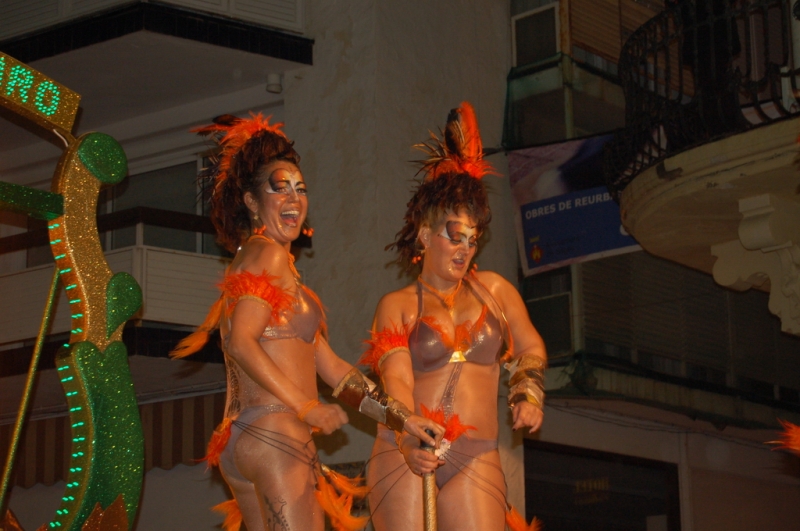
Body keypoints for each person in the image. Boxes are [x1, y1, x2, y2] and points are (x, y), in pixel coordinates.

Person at [170, 113, 443, 531]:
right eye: (280, 188)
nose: (294, 199)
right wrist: (305, 406)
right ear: (251, 201)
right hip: (277, 431)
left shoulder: (259, 263)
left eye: (301, 189)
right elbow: (240, 342)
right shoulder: (268, 254)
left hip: (244, 440)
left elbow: (335, 372)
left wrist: (402, 418)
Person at [362, 102, 547, 531]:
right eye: (455, 236)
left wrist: (528, 392)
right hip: (405, 449)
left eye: (473, 239)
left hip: (476, 454)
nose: (465, 248)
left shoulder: (495, 291)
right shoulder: (397, 305)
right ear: (426, 235)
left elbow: (530, 345)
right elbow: (397, 381)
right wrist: (407, 439)